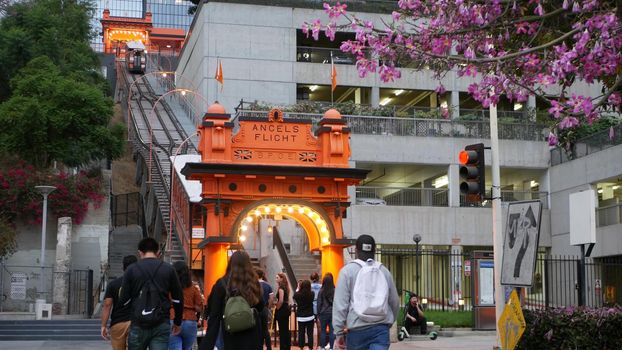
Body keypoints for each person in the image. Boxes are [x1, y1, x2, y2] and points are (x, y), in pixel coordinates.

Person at [332, 234, 399, 350]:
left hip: (357, 328)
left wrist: (339, 331)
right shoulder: (384, 271)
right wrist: (389, 321)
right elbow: (394, 301)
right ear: (374, 251)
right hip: (380, 327)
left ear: (356, 250)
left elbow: (340, 304)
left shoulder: (347, 271)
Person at [119, 238, 183, 350]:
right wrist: (177, 322)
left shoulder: (131, 270)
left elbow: (123, 299)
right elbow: (178, 299)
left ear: (140, 252)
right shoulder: (169, 269)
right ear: (158, 252)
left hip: (138, 323)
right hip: (161, 322)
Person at [199, 251, 264, 350]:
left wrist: (208, 343)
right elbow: (260, 306)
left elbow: (214, 315)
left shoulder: (222, 284)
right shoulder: (254, 283)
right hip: (252, 331)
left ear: (230, 263)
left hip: (231, 331)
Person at [101, 255, 138, 350]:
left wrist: (103, 326)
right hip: (135, 322)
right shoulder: (141, 283)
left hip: (118, 323)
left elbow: (107, 305)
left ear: (123, 267)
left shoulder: (113, 284)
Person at [169, 261, 204, 350]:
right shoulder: (194, 288)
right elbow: (199, 308)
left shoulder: (169, 287)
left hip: (173, 318)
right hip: (190, 321)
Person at [293, 280, 315, 350]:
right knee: (310, 333)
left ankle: (301, 347)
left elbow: (294, 296)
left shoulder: (297, 294)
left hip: (301, 317)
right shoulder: (312, 294)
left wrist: (298, 289)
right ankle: (310, 347)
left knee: (301, 333)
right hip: (310, 316)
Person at [256, 268, 274, 350]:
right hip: (264, 309)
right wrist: (268, 307)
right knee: (265, 329)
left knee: (257, 329)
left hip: (255, 310)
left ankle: (259, 347)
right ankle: (269, 347)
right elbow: (271, 298)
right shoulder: (268, 285)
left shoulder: (254, 285)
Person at [317, 273, 335, 350]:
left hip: (323, 313)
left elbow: (319, 303)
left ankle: (323, 347)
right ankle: (331, 347)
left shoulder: (321, 291)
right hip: (332, 313)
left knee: (323, 331)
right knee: (332, 331)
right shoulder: (334, 290)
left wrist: (318, 313)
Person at [274, 272, 291, 350]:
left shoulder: (281, 288)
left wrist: (277, 307)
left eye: (277, 277)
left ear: (281, 278)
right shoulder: (286, 287)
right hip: (286, 309)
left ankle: (283, 347)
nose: (276, 279)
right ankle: (287, 346)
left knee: (282, 330)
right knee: (285, 329)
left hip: (282, 310)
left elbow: (280, 300)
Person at [310, 272, 322, 348]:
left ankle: (311, 345)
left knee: (310, 327)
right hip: (319, 307)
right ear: (318, 278)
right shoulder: (321, 286)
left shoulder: (309, 286)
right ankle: (319, 344)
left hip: (311, 307)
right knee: (319, 327)